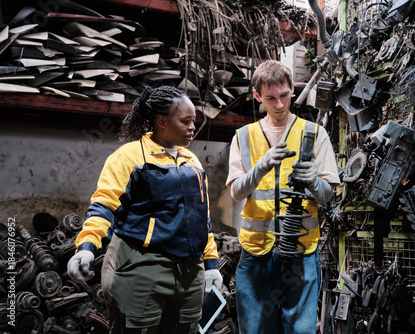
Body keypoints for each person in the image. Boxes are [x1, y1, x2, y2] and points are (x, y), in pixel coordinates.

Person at [67, 85, 223, 334]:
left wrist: (212, 263)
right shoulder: (128, 158)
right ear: (162, 120)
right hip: (141, 270)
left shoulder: (191, 161)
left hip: (190, 272)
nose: (193, 127)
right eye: (186, 121)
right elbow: (104, 205)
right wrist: (86, 248)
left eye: (194, 121)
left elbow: (201, 218)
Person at [226, 60, 340, 334]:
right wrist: (261, 166)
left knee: (300, 331)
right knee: (254, 329)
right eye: (270, 98)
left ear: (292, 89)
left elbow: (326, 196)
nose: (279, 104)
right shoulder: (243, 136)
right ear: (258, 97)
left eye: (284, 95)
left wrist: (313, 180)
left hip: (301, 253)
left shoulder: (315, 134)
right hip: (256, 254)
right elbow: (237, 192)